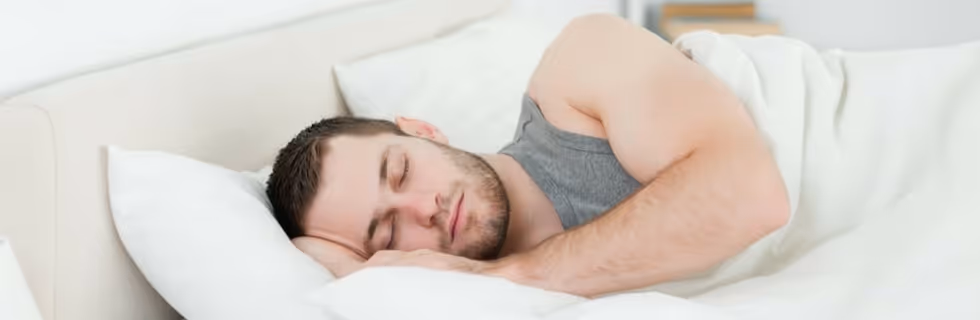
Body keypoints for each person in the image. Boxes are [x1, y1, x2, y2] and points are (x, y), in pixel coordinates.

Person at [266, 14, 790, 298]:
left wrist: (509, 275)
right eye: (387, 232)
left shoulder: (581, 64)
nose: (422, 209)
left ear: (423, 130)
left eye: (401, 172)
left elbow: (750, 197)